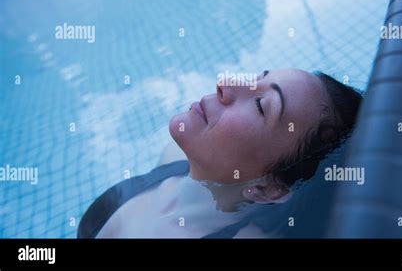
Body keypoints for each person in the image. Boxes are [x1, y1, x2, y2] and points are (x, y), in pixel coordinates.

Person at [78, 68, 362, 238]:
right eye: (257, 77)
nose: (226, 82)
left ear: (269, 188)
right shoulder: (176, 158)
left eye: (261, 105)